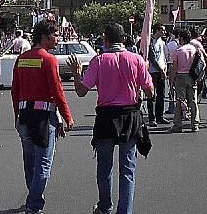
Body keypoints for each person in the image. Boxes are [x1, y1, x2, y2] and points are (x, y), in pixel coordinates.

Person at [67, 23, 154, 214]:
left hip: (106, 118)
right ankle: (125, 211)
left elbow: (81, 91)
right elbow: (150, 92)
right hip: (130, 117)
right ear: (124, 39)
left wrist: (76, 74)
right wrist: (144, 74)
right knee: (128, 169)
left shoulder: (99, 61)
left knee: (104, 167)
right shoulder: (136, 59)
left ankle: (105, 207)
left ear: (106, 40)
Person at [11, 20, 74, 214]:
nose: (58, 39)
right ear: (45, 37)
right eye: (55, 35)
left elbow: (15, 90)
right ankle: (34, 204)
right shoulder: (49, 60)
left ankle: (33, 197)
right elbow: (57, 91)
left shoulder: (22, 59)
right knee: (43, 163)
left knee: (29, 161)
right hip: (44, 117)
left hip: (24, 114)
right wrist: (67, 116)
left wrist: (17, 115)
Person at [168, 29, 200, 133]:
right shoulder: (194, 49)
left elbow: (174, 67)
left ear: (181, 38)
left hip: (180, 76)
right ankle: (194, 124)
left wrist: (171, 80)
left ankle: (178, 124)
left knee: (180, 100)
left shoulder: (178, 50)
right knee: (193, 101)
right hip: (192, 76)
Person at [146, 23, 169, 127]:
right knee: (152, 95)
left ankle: (160, 116)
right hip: (153, 71)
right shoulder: (150, 42)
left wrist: (165, 67)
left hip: (161, 70)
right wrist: (160, 69)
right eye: (162, 30)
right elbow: (152, 57)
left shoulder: (162, 42)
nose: (164, 32)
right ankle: (152, 117)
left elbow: (163, 56)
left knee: (161, 94)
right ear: (157, 30)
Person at [165, 30, 179, 114]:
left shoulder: (170, 44)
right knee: (179, 87)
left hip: (171, 65)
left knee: (171, 87)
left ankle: (171, 107)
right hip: (180, 66)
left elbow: (166, 55)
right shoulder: (180, 44)